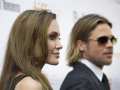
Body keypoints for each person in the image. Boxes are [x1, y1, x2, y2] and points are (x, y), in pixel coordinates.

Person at [0, 9, 62, 90]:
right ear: (30, 41)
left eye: (59, 38)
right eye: (52, 37)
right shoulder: (30, 85)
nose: (60, 45)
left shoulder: (16, 79)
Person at [60, 14, 117, 90]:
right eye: (102, 40)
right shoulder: (80, 83)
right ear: (81, 45)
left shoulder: (100, 78)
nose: (110, 45)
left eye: (112, 40)